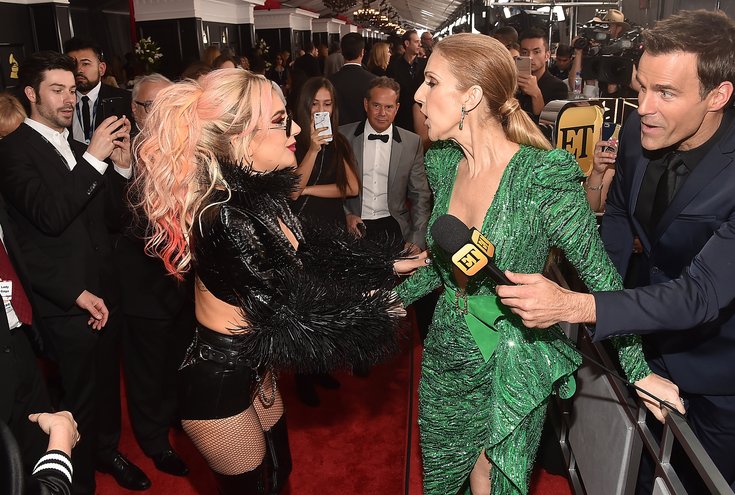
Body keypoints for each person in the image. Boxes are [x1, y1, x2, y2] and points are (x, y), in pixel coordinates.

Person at [395, 33, 679, 495]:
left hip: (513, 358)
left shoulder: (542, 177)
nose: (418, 95)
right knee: (443, 481)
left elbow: (602, 277)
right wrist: (382, 300)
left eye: (430, 82)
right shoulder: (443, 161)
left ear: (470, 97)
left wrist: (637, 369)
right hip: (448, 352)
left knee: (492, 479)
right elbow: (447, 269)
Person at [134, 68, 415, 493]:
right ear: (240, 136)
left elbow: (311, 253)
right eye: (282, 121)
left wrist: (386, 266)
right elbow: (286, 312)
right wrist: (374, 310)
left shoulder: (259, 194)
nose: (299, 127)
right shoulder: (223, 215)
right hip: (218, 379)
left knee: (281, 473)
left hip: (256, 366)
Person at [497, 10, 735, 490]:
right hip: (641, 336)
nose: (643, 106)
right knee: (641, 469)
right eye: (640, 86)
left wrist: (578, 305)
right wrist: (608, 293)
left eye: (665, 93)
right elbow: (622, 215)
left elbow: (701, 293)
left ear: (718, 96)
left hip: (719, 368)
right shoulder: (635, 130)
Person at [0, 51, 147, 494]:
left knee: (106, 389)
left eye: (73, 89)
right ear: (31, 94)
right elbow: (49, 217)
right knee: (77, 400)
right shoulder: (10, 152)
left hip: (105, 290)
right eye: (57, 90)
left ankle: (107, 452)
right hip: (65, 302)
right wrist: (94, 160)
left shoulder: (83, 149)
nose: (69, 99)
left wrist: (119, 166)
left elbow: (113, 220)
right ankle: (77, 483)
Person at [115, 73, 191, 477]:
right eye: (151, 106)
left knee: (178, 359)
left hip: (181, 281)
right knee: (147, 370)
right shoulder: (117, 151)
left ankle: (177, 417)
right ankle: (154, 439)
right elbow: (117, 221)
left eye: (168, 105)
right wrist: (124, 172)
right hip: (142, 285)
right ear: (134, 109)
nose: (161, 113)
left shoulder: (183, 146)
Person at [290, 76, 360, 405]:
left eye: (327, 104)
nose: (321, 110)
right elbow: (291, 190)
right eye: (315, 104)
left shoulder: (340, 142)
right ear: (305, 107)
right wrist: (314, 149)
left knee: (328, 304)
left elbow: (350, 188)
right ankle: (302, 376)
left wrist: (311, 189)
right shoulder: (293, 141)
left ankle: (320, 366)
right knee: (306, 306)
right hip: (302, 232)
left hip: (330, 228)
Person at [341, 77, 430, 253]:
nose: (382, 113)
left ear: (396, 108)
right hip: (354, 226)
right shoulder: (343, 137)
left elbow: (420, 196)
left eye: (388, 107)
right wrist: (344, 216)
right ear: (366, 104)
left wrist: (417, 240)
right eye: (376, 105)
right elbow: (332, 186)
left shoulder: (412, 142)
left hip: (394, 225)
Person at [63, 37, 134, 145]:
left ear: (101, 69)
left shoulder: (125, 100)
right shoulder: (60, 101)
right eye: (73, 64)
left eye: (85, 64)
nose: (78, 70)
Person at [517, 28, 569, 121]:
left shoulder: (558, 87)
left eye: (536, 52)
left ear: (547, 56)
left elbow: (548, 126)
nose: (530, 57)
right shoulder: (513, 84)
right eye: (525, 52)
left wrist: (536, 94)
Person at [329, 33, 377, 125]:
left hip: (338, 134)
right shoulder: (374, 81)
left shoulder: (330, 81)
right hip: (365, 133)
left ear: (342, 52)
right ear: (362, 52)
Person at [387, 30, 425, 132]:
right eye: (416, 42)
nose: (420, 44)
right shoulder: (394, 66)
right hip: (401, 117)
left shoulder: (425, 65)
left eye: (419, 41)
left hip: (422, 116)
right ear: (407, 43)